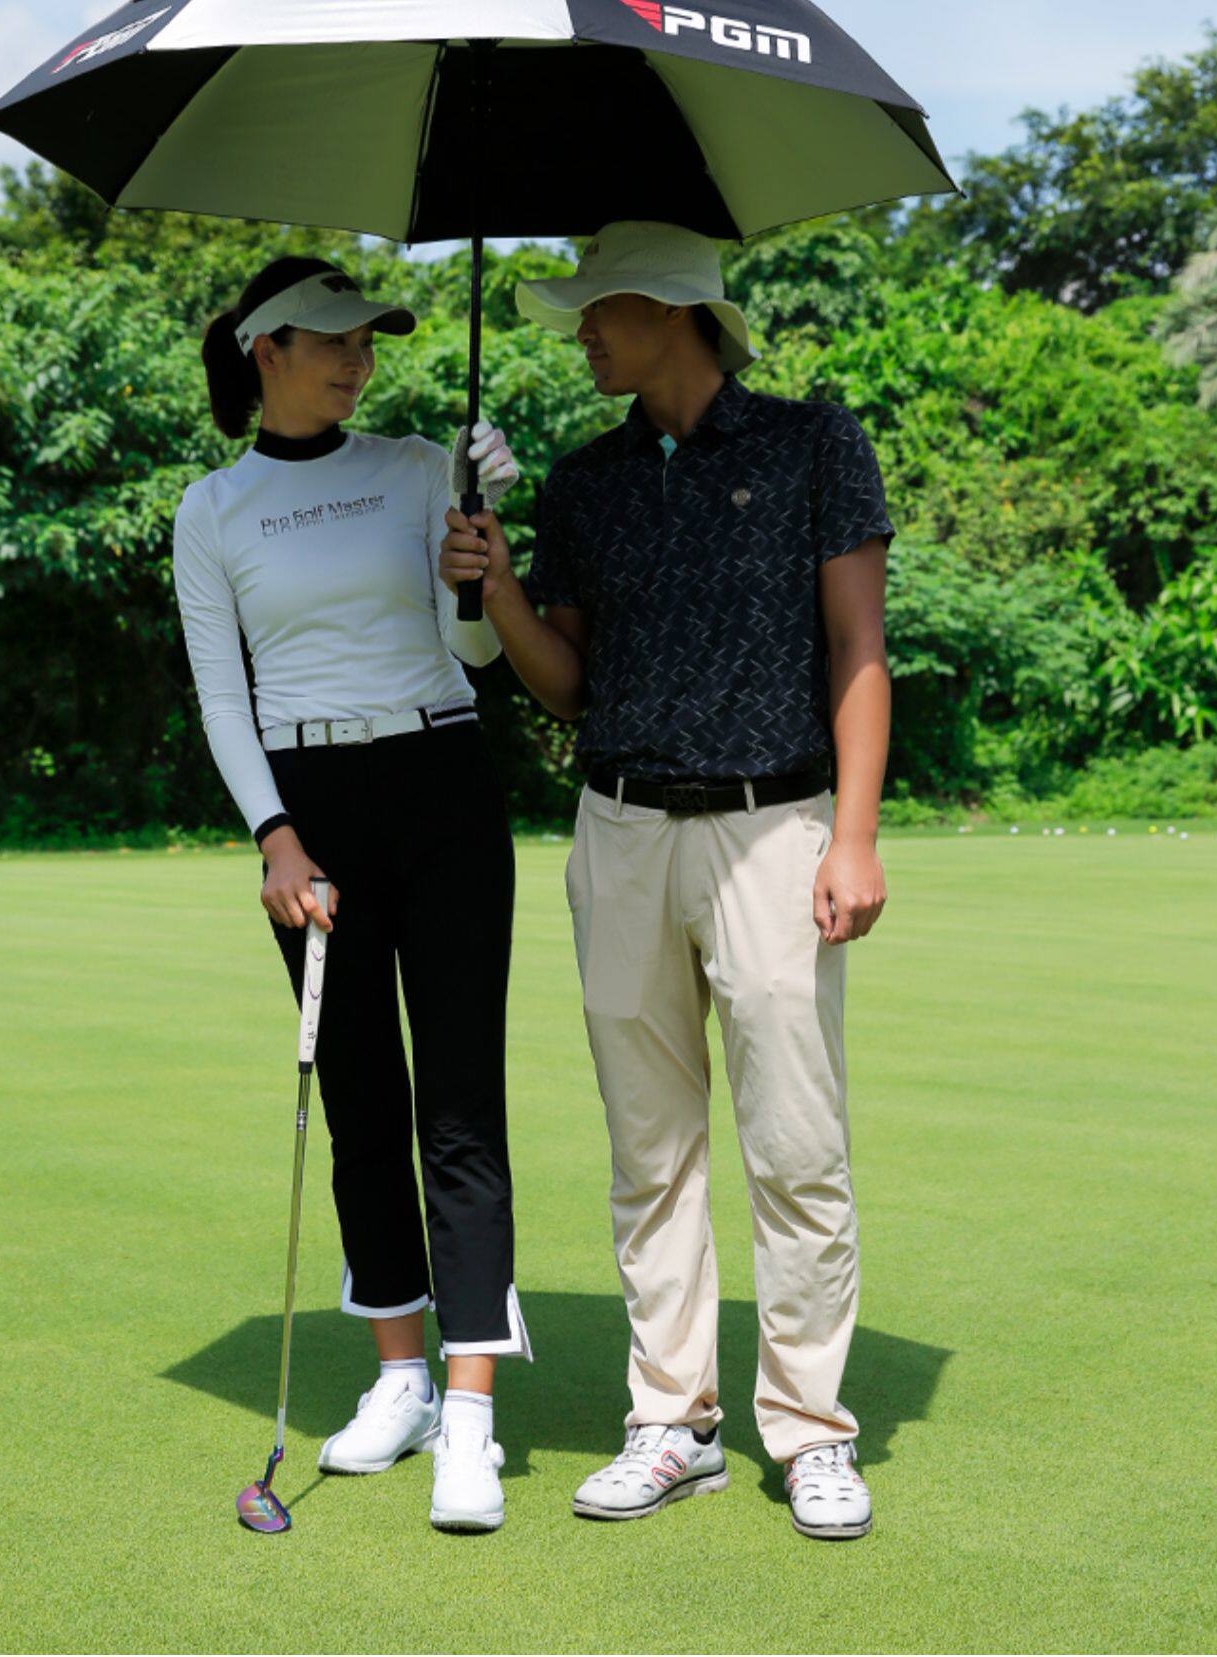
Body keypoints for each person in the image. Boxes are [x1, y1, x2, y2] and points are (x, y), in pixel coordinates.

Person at [440, 221, 892, 1539]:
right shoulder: (585, 482)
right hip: (621, 830)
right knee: (650, 1150)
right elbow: (567, 686)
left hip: (776, 827)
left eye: (599, 308)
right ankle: (672, 1423)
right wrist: (501, 586)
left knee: (795, 1145)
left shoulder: (816, 445)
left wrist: (855, 835)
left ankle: (810, 1430)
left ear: (673, 309)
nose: (581, 330)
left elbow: (859, 649)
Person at [173, 254, 529, 1534]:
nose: (358, 359)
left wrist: (479, 561)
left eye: (369, 340)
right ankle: (401, 1379)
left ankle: (472, 1414)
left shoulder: (427, 467)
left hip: (439, 780)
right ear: (265, 348)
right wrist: (273, 835)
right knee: (362, 1101)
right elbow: (223, 694)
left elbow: (472, 652)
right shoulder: (212, 508)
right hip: (310, 814)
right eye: (333, 339)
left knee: (460, 1105)